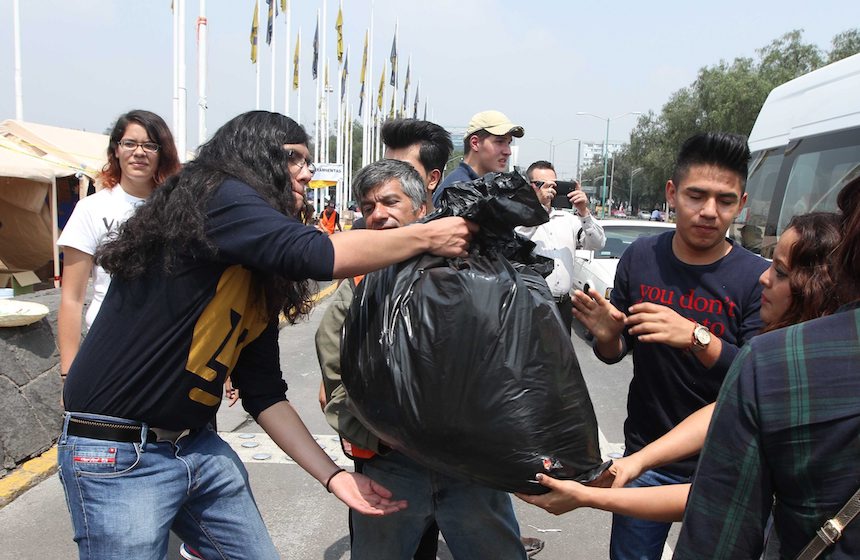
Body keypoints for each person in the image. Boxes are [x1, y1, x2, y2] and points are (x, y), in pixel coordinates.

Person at [58, 111, 475, 560]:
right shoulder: (214, 194)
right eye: (295, 158)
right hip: (118, 450)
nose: (308, 172)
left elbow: (265, 394)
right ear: (256, 156)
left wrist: (334, 477)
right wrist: (426, 236)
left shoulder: (257, 266)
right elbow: (312, 253)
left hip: (195, 445)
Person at [516, 212, 843, 526]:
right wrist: (635, 463)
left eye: (782, 272)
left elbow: (715, 494)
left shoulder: (819, 377)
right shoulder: (783, 352)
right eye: (771, 264)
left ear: (817, 287)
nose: (764, 278)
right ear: (673, 194)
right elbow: (731, 404)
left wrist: (590, 495)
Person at [569, 132, 769, 559]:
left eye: (726, 200)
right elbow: (616, 350)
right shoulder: (642, 257)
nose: (710, 212)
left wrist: (696, 337)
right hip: (644, 458)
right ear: (672, 193)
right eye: (697, 196)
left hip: (725, 467)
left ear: (742, 202)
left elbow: (759, 378)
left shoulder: (758, 278)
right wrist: (607, 335)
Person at [316, 159, 528, 560]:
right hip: (390, 468)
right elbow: (335, 375)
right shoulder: (359, 283)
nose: (378, 215)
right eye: (367, 208)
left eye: (390, 202)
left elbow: (510, 361)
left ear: (422, 208)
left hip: (472, 468)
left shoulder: (474, 272)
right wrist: (372, 435)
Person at [674, 177, 860, 558]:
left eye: (780, 270)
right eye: (695, 196)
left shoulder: (776, 363)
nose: (763, 278)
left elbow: (719, 533)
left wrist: (699, 338)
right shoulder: (770, 363)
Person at [57, 109, 181, 378]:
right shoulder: (90, 209)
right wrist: (68, 372)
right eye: (130, 143)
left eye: (150, 145)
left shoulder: (180, 210)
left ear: (163, 153)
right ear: (115, 150)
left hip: (167, 351)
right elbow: (72, 298)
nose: (139, 152)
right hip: (107, 350)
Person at [516, 160, 605, 333]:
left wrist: (584, 211)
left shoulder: (568, 220)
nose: (548, 189)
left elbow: (597, 243)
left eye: (553, 185)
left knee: (562, 358)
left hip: (563, 305)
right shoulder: (519, 216)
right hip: (531, 304)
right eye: (540, 184)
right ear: (529, 186)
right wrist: (538, 208)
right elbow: (516, 243)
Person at [433, 110, 523, 206]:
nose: (508, 152)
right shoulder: (459, 191)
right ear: (475, 143)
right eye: (500, 142)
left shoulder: (477, 188)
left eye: (508, 143)